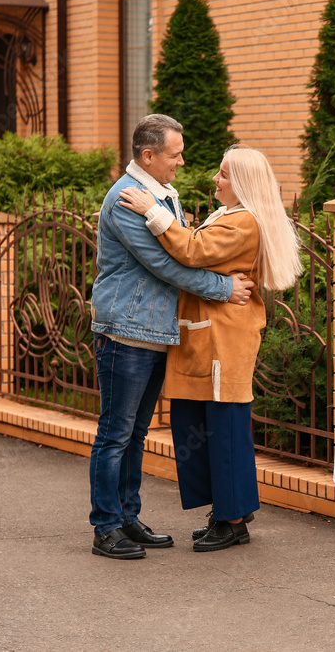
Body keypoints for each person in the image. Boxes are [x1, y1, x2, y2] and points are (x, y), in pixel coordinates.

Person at [118, 145, 303, 551]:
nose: (215, 180)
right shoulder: (232, 216)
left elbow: (192, 251)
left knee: (225, 429)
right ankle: (226, 512)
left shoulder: (242, 223)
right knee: (204, 425)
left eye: (222, 175)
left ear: (241, 183)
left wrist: (153, 209)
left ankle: (233, 520)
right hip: (211, 336)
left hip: (225, 339)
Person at [89, 114, 254, 560]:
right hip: (126, 330)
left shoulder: (162, 195)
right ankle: (106, 527)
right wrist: (225, 288)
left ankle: (127, 517)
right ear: (149, 155)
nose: (182, 161)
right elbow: (166, 265)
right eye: (175, 154)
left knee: (136, 432)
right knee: (115, 432)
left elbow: (182, 247)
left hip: (155, 332)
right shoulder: (126, 198)